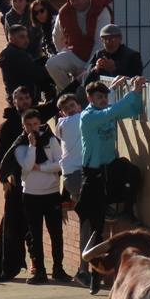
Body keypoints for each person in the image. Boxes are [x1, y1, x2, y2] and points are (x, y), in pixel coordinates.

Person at [0, 86, 59, 283]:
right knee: (12, 224)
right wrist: (4, 180)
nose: (23, 102)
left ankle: (36, 265)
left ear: (31, 99)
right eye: (19, 99)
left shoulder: (38, 119)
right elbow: (0, 156)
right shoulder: (7, 127)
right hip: (16, 184)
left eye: (26, 98)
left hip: (37, 186)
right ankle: (6, 266)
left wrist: (82, 79)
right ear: (13, 102)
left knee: (33, 226)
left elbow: (57, 103)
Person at [78, 76, 147, 293]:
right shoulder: (88, 117)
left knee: (132, 173)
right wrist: (128, 93)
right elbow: (111, 112)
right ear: (90, 98)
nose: (103, 101)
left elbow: (132, 110)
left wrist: (136, 92)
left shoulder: (106, 112)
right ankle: (94, 276)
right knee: (96, 230)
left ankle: (125, 209)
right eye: (99, 97)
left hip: (111, 169)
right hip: (94, 176)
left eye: (105, 97)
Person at [12, 108, 70, 284]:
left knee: (56, 233)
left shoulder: (51, 140)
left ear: (40, 123)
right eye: (28, 125)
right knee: (35, 235)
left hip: (51, 193)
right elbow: (27, 166)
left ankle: (58, 269)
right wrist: (32, 146)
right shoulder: (20, 145)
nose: (32, 128)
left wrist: (42, 168)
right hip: (30, 195)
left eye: (35, 124)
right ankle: (40, 272)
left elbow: (60, 164)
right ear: (23, 126)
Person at [46, 0, 113, 91]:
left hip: (98, 58)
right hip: (76, 53)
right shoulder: (64, 12)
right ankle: (68, 93)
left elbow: (100, 44)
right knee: (52, 64)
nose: (76, 2)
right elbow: (57, 37)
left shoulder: (101, 10)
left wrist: (87, 69)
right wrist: (63, 51)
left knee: (89, 80)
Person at [55, 92, 90, 284]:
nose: (70, 109)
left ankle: (84, 269)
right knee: (89, 221)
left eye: (72, 105)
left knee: (88, 221)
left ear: (78, 105)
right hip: (78, 177)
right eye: (66, 108)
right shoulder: (72, 121)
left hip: (74, 177)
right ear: (62, 113)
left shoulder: (61, 125)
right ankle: (84, 269)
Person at [0, 24, 52, 100]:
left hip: (17, 98)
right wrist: (53, 68)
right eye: (22, 37)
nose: (26, 40)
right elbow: (35, 72)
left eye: (27, 37)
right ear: (11, 39)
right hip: (24, 99)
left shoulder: (9, 53)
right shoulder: (17, 54)